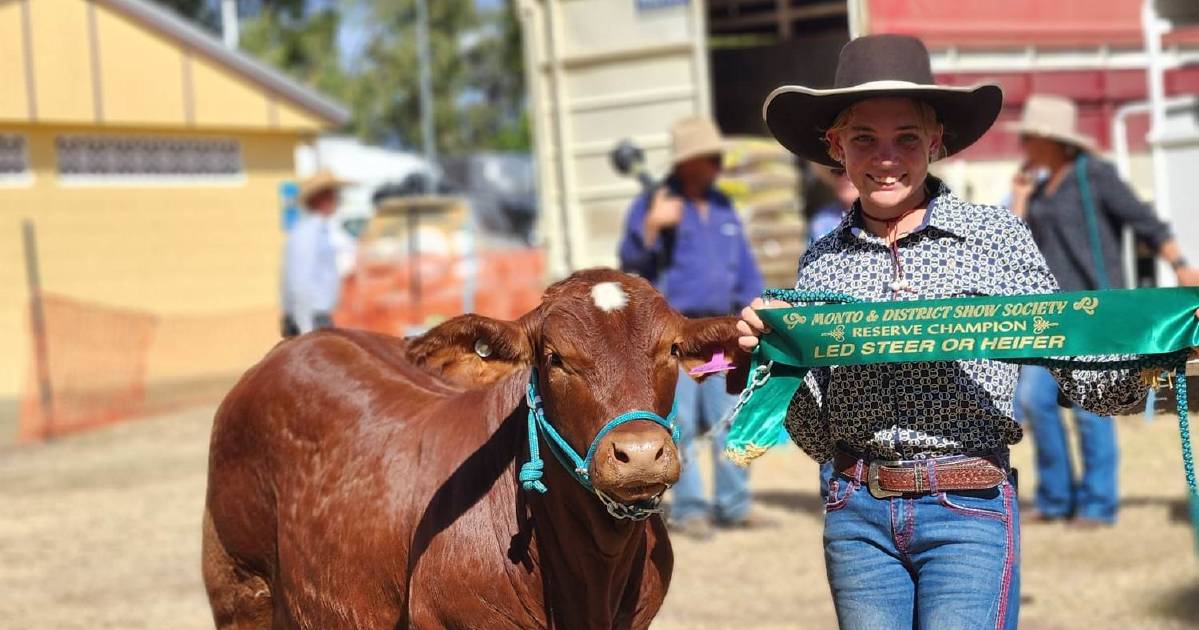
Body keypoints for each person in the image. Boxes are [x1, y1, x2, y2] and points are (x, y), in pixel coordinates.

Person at [737, 34, 1155, 628]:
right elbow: (816, 431)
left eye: (907, 137)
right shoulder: (820, 261)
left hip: (969, 507)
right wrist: (767, 361)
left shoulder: (994, 237)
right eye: (864, 138)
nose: (887, 157)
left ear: (936, 142)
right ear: (836, 147)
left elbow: (1081, 369)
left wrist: (1154, 349)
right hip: (856, 511)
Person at [1008, 94, 1199, 527]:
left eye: (1031, 138)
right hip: (1049, 315)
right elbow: (1018, 247)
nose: (1024, 147)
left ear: (1054, 140)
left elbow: (1144, 220)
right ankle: (1056, 498)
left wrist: (1181, 265)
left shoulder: (1093, 175)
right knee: (1037, 402)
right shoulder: (1037, 188)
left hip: (1095, 312)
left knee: (1091, 409)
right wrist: (1019, 199)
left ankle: (1097, 504)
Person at [619, 115, 765, 540]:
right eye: (706, 157)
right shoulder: (655, 203)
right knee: (679, 422)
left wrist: (756, 313)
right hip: (674, 337)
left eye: (715, 157)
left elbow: (743, 266)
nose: (714, 164)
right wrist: (651, 227)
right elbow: (632, 263)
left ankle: (734, 504)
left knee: (729, 419)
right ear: (686, 162)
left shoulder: (722, 206)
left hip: (720, 334)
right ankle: (690, 507)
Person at [281, 169, 351, 337]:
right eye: (333, 195)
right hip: (310, 320)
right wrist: (306, 331)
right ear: (321, 198)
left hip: (317, 318)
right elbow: (300, 283)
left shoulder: (321, 231)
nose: (337, 199)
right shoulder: (306, 232)